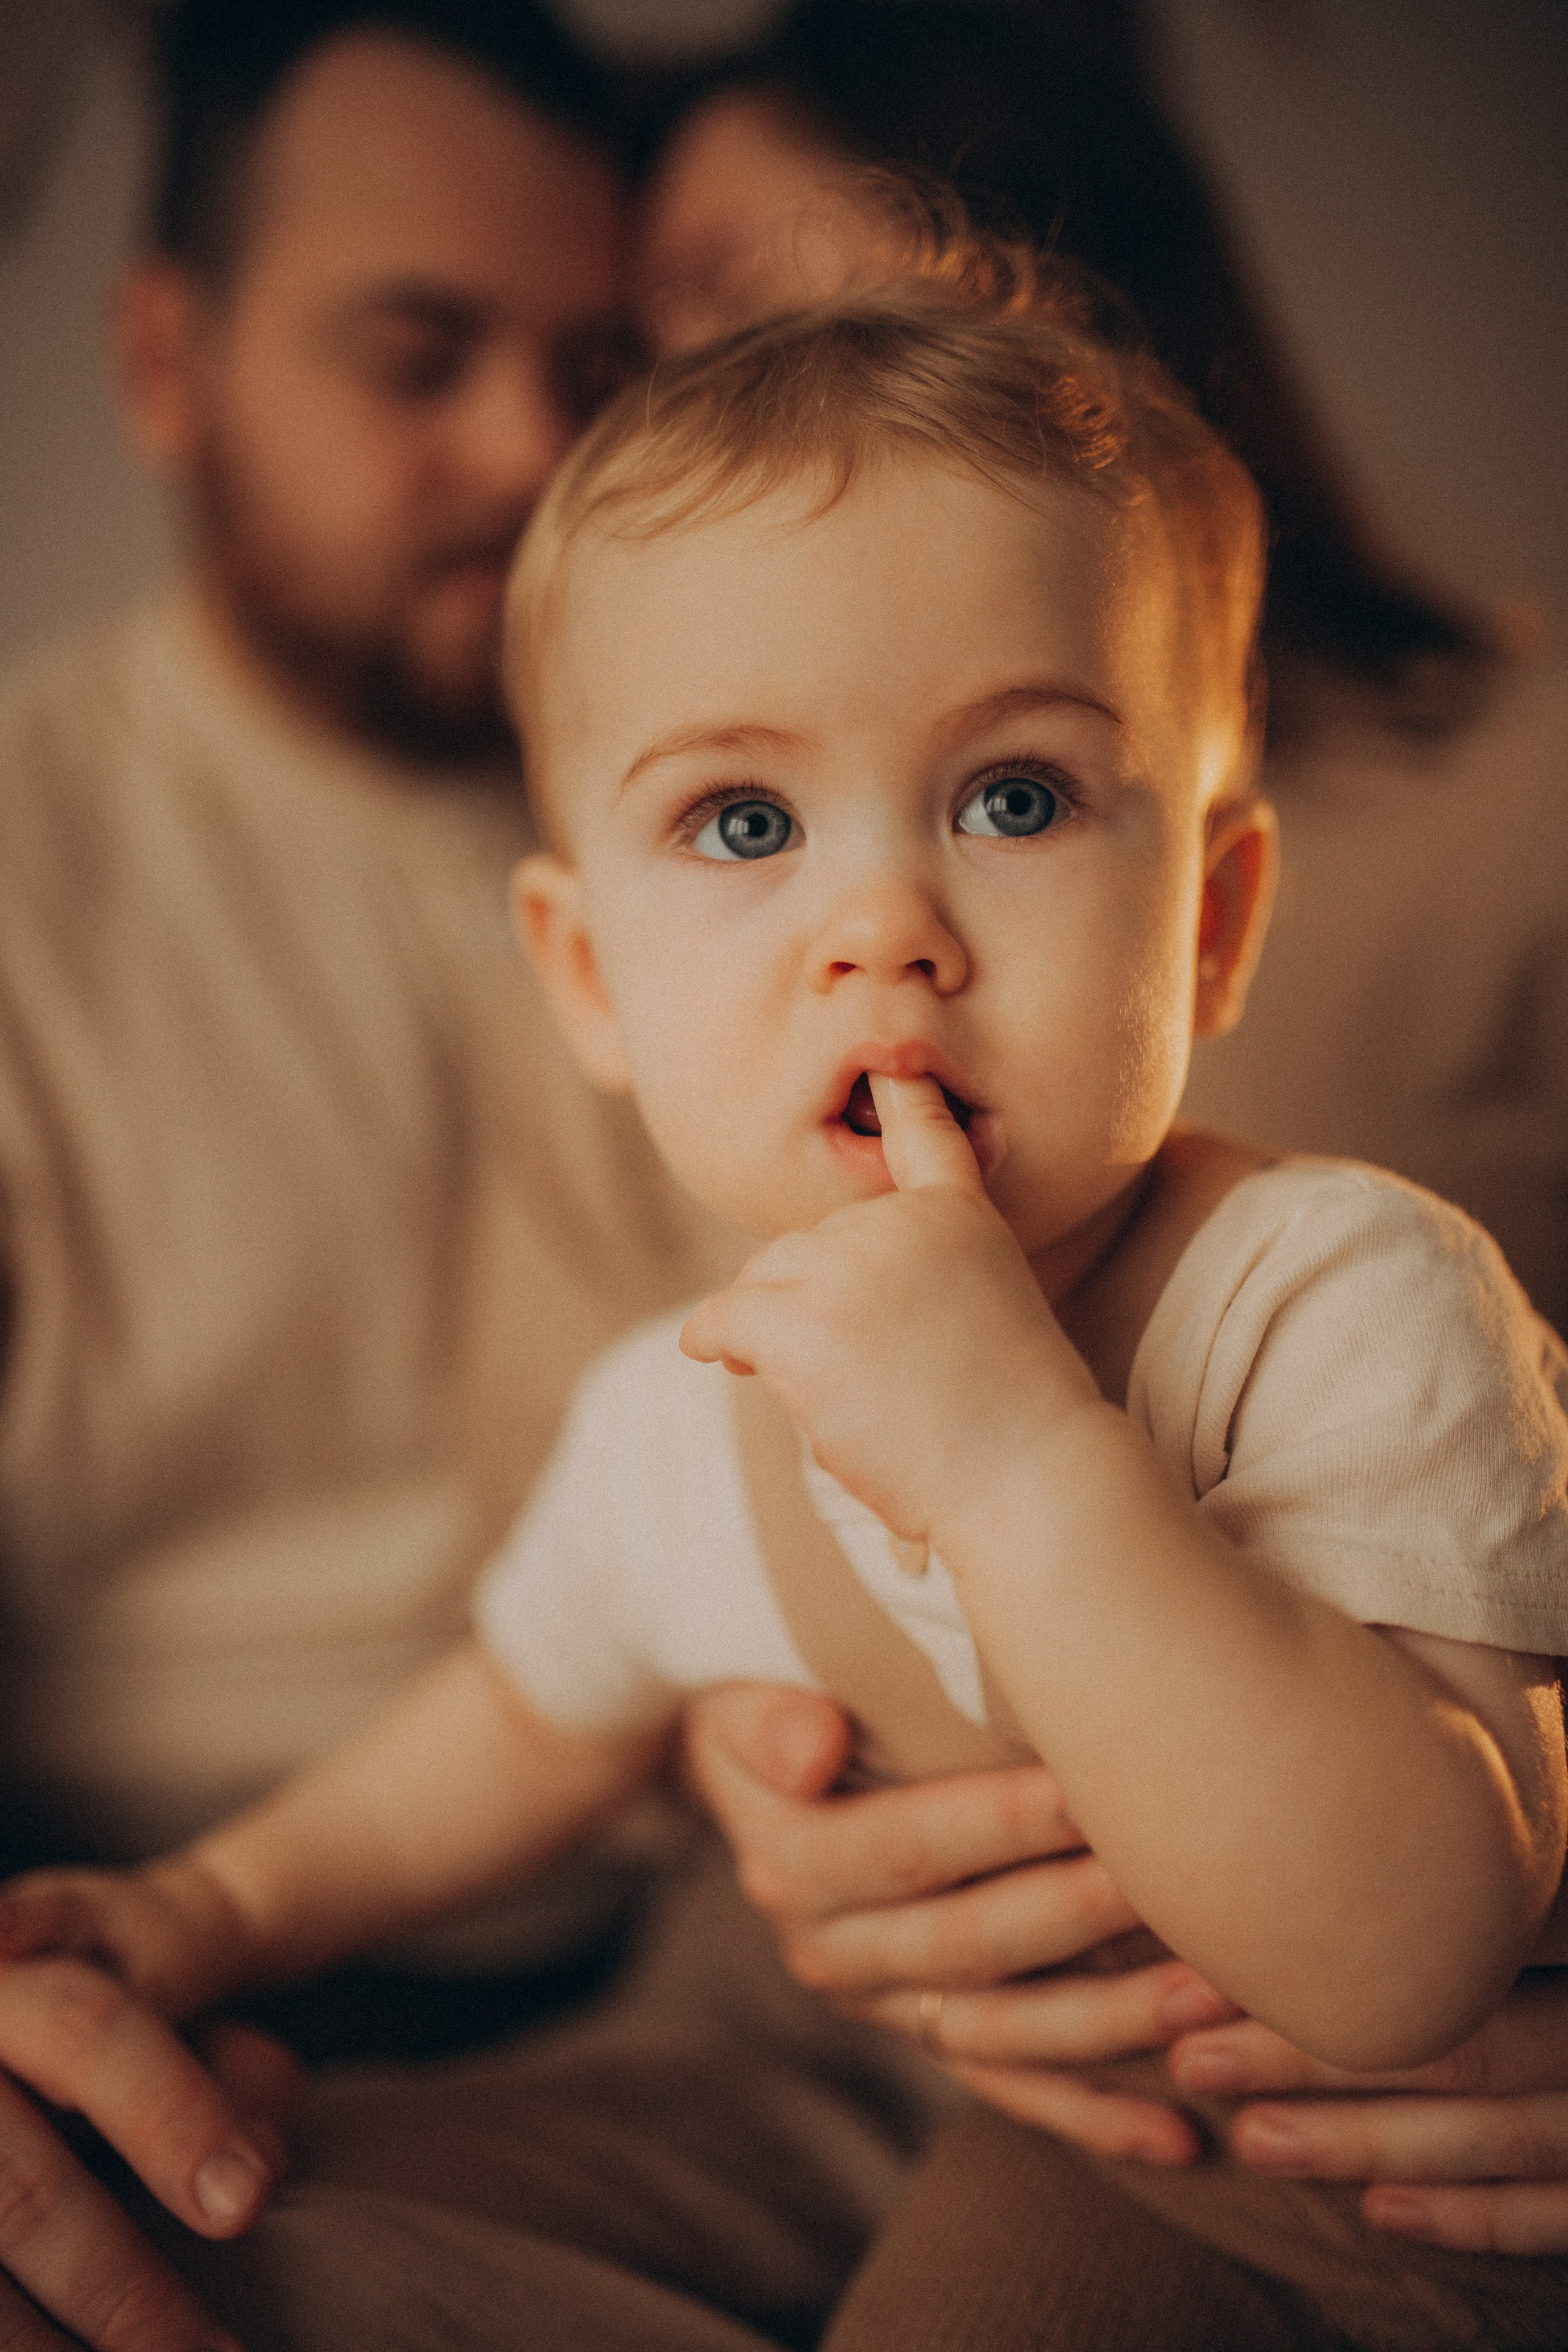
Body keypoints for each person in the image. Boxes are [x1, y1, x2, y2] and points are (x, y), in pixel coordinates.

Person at [10, 237, 1568, 2349]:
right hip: (926, 2102)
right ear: (589, 980)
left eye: (1012, 797)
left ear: (1208, 922)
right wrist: (212, 1907)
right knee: (241, 2245)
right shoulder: (678, 1406)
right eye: (743, 819)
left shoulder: (1340, 1298)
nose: (880, 923)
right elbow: (512, 1726)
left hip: (1313, 2196)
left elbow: (1408, 1948)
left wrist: (1022, 1455)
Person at [636, 0, 1568, 2262]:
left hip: (1340, 1993)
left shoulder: (1512, 800)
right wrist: (767, 1778)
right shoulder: (670, 894)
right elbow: (636, 1517)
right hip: (828, 1993)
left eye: (815, 314)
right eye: (659, 342)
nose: (878, 924)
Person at [0, 4, 768, 2345]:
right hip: (197, 1953)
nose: (537, 448)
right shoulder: (28, 868)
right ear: (166, 360)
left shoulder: (798, 823)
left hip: (760, 1945)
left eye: (597, 360)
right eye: (417, 357)